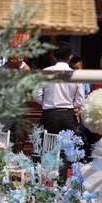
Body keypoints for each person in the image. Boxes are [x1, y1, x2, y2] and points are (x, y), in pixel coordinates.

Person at [35, 42, 86, 179]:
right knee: (65, 149)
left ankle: (48, 181)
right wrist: (70, 105)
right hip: (68, 114)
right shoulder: (75, 75)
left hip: (50, 113)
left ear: (53, 56)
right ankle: (61, 181)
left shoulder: (46, 72)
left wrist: (47, 102)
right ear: (70, 57)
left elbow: (36, 95)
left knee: (48, 146)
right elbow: (80, 100)